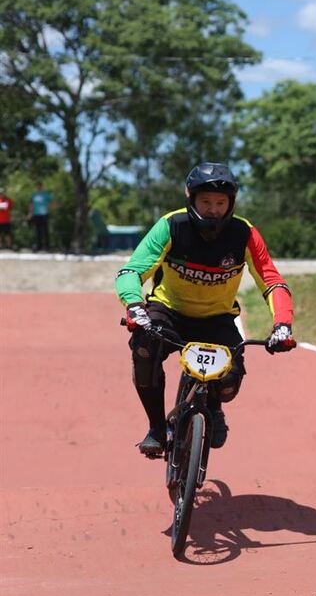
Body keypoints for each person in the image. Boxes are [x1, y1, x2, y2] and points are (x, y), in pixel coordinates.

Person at [115, 162, 297, 457]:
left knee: (228, 384)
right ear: (191, 199)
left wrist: (282, 325)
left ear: (231, 204)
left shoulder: (244, 233)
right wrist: (135, 306)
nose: (213, 209)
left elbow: (272, 282)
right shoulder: (171, 225)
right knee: (144, 349)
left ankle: (214, 406)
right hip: (168, 311)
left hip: (217, 319)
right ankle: (157, 429)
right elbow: (132, 272)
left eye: (220, 203)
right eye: (206, 202)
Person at [29, 181, 54, 252]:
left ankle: (47, 247)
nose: (39, 187)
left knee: (45, 231)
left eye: (40, 186)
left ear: (42, 186)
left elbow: (52, 202)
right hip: (36, 214)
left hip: (44, 214)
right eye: (37, 186)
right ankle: (38, 247)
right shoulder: (34, 195)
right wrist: (30, 213)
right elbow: (31, 204)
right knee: (37, 231)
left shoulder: (46, 194)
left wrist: (49, 208)